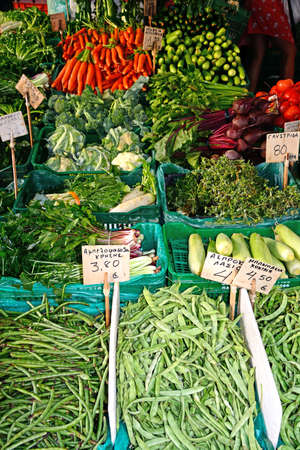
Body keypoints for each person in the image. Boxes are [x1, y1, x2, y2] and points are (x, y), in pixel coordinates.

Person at [242, 0, 297, 92]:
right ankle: (286, 96)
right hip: (268, 4)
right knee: (290, 50)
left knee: (258, 55)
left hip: (255, 4)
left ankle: (247, 95)